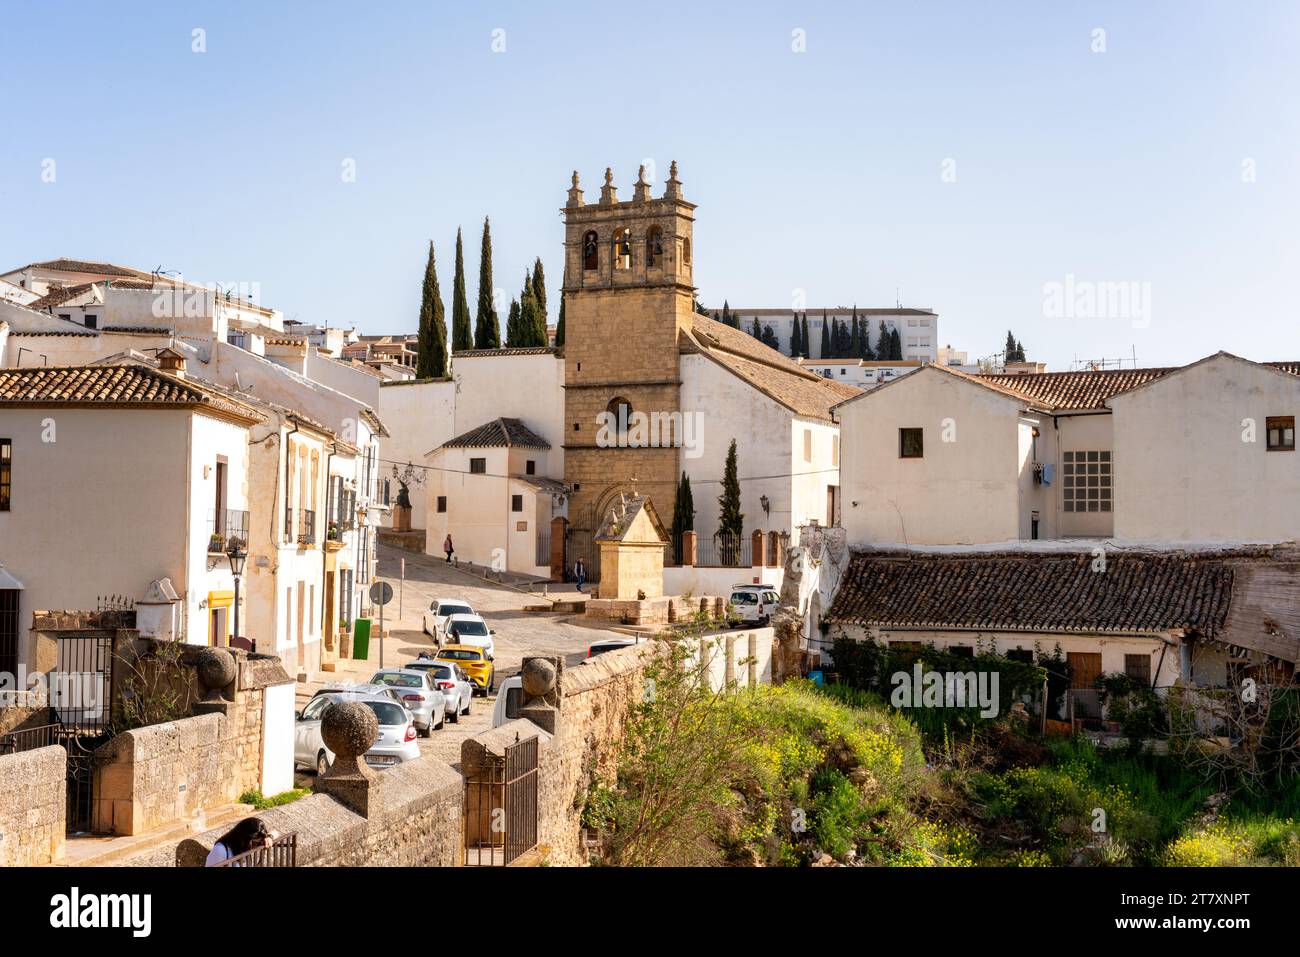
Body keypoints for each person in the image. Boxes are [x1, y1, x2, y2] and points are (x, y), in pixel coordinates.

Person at [204, 816, 276, 866]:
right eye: (255, 843)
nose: (257, 846)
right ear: (244, 839)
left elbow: (275, 832)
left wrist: (269, 837)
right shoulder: (221, 850)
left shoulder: (243, 848)